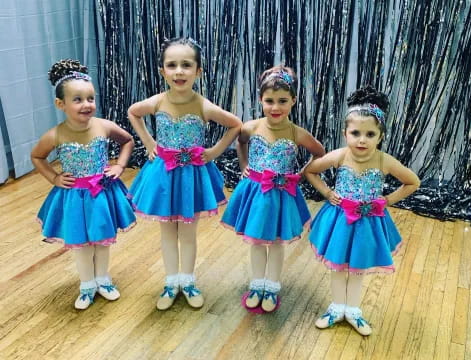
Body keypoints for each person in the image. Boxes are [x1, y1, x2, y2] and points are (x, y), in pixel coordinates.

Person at [128, 37, 242, 310]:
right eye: (172, 65)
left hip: (192, 176)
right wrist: (149, 143)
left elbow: (235, 125)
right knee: (167, 232)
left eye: (186, 65)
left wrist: (214, 152)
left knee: (188, 233)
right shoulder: (157, 101)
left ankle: (188, 281)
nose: (179, 71)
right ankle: (171, 282)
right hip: (164, 175)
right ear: (162, 71)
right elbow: (133, 112)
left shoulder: (203, 105)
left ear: (198, 71)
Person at [305, 85, 420, 335]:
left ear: (380, 136)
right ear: (345, 133)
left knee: (357, 267)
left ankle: (353, 310)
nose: (362, 140)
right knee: (337, 266)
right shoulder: (340, 155)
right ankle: (336, 308)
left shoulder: (384, 160)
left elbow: (413, 181)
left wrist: (387, 200)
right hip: (339, 220)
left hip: (367, 222)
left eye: (370, 134)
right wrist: (326, 192)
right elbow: (310, 171)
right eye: (355, 132)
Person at [32, 59, 136, 310]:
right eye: (77, 99)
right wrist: (55, 177)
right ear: (61, 104)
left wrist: (120, 166)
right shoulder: (55, 134)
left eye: (90, 98)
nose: (86, 104)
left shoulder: (103, 125)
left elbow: (128, 140)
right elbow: (37, 156)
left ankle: (103, 279)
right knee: (81, 244)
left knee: (101, 239)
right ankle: (87, 284)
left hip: (101, 193)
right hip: (74, 197)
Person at [221, 66, 325, 313]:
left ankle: (272, 286)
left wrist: (301, 175)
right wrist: (245, 165)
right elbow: (241, 143)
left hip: (281, 196)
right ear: (260, 100)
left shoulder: (296, 132)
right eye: (269, 101)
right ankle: (257, 284)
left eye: (282, 101)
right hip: (255, 192)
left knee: (277, 242)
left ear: (293, 101)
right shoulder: (251, 127)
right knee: (257, 241)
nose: (275, 107)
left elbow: (319, 153)